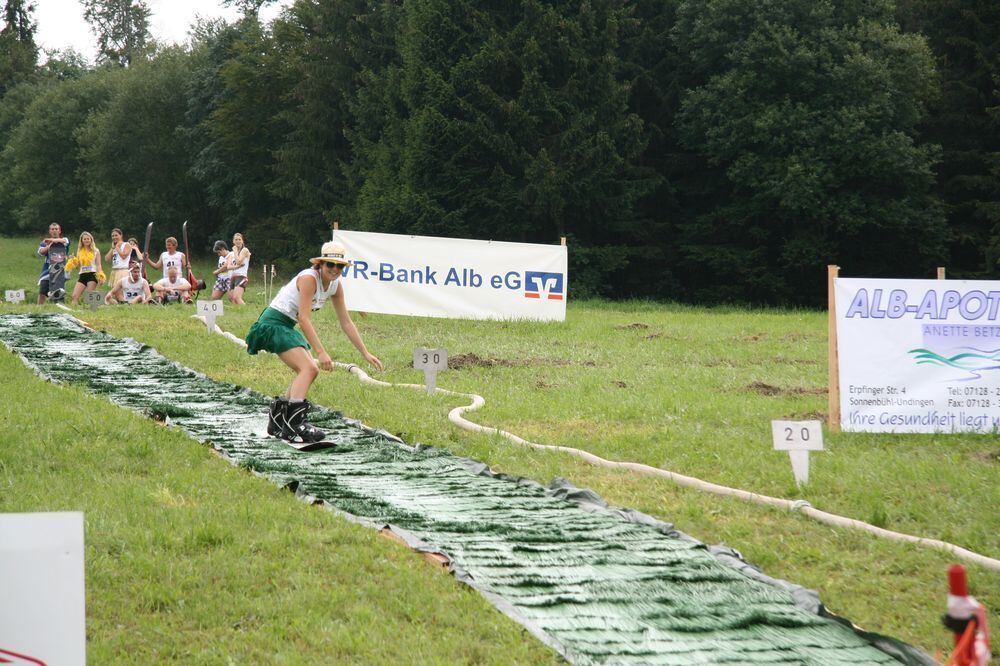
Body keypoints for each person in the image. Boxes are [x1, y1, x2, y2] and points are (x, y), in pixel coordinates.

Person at [245, 241, 383, 443]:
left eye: (340, 266)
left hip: (285, 325)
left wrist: (365, 353)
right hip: (273, 324)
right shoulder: (309, 278)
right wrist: (321, 352)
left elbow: (345, 321)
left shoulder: (335, 285)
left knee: (307, 370)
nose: (335, 270)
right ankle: (294, 425)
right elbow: (304, 319)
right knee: (310, 369)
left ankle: (278, 418)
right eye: (330, 265)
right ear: (320, 264)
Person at [66, 231, 105, 306]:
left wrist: (101, 275)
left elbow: (98, 264)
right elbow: (78, 266)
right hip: (82, 275)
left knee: (89, 296)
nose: (86, 240)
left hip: (92, 274)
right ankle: (74, 311)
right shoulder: (79, 251)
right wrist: (73, 260)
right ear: (82, 241)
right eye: (84, 239)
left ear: (91, 240)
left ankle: (94, 310)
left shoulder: (96, 251)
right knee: (74, 296)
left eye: (88, 239)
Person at [37, 222, 71, 305]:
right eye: (52, 229)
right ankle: (39, 308)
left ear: (59, 231)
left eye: (56, 229)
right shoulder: (45, 242)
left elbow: (65, 241)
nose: (54, 231)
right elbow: (40, 252)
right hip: (47, 271)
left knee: (58, 290)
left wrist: (52, 240)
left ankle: (58, 306)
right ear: (50, 231)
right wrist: (49, 246)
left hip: (60, 270)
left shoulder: (64, 240)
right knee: (42, 291)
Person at [227, 232, 251, 305]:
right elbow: (228, 267)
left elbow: (238, 261)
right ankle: (237, 313)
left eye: (239, 239)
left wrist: (235, 251)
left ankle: (247, 311)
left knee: (237, 297)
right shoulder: (231, 254)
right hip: (233, 277)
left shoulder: (245, 250)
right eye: (236, 239)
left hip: (241, 276)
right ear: (233, 241)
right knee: (231, 298)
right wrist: (237, 266)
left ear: (242, 241)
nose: (238, 241)